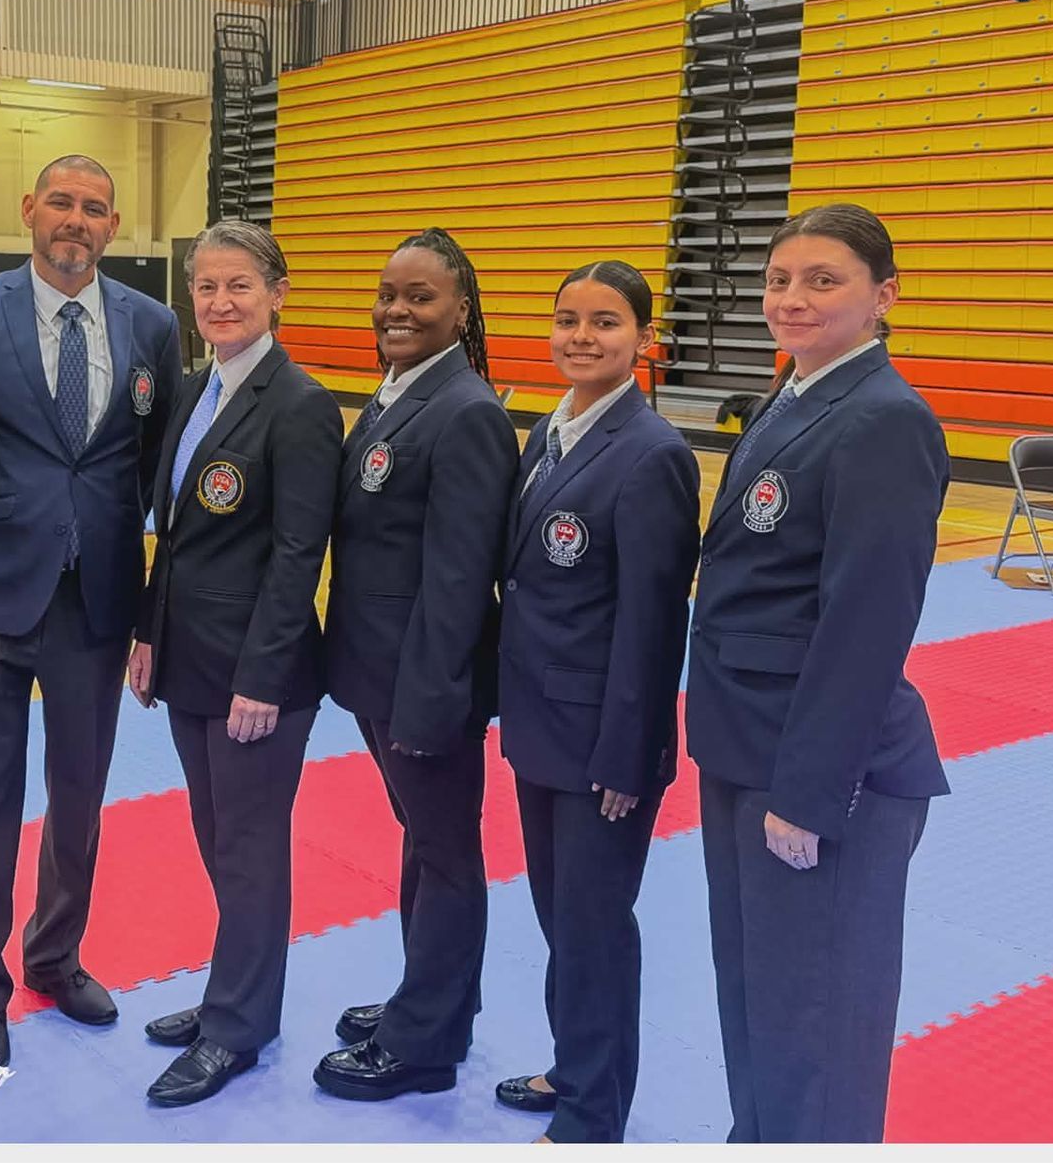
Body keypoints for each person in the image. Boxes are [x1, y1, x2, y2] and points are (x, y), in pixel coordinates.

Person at [688, 202, 950, 1143]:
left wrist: (808, 791)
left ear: (882, 297)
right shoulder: (795, 395)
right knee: (756, 996)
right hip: (743, 744)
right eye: (779, 280)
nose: (792, 298)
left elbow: (867, 624)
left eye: (822, 280)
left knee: (818, 1023)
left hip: (820, 770)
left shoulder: (882, 418)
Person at [0, 154, 182, 1066]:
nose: (77, 219)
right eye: (62, 202)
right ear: (29, 208)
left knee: (80, 795)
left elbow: (161, 474)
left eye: (96, 208)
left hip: (99, 597)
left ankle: (55, 953)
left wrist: (151, 604)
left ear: (115, 226)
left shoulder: (152, 325)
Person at [125, 221, 343, 1106]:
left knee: (249, 849)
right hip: (188, 655)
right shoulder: (192, 388)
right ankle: (237, 993)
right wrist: (148, 632)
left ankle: (239, 1027)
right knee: (219, 839)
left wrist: (263, 672)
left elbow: (300, 551)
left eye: (239, 286)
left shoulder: (298, 402)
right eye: (206, 287)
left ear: (277, 293)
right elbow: (170, 537)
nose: (219, 302)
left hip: (260, 672)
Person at [492, 261, 701, 1143]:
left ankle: (590, 1118)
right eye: (568, 319)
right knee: (560, 917)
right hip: (542, 719)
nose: (583, 336)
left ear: (642, 339)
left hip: (602, 742)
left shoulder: (653, 454)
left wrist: (629, 752)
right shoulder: (551, 429)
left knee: (593, 928)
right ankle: (575, 1065)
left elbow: (654, 624)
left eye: (606, 322)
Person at [314, 227, 518, 1102]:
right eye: (389, 293)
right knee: (424, 845)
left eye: (420, 297)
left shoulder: (467, 411)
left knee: (444, 854)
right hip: (377, 671)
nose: (398, 309)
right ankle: (434, 1000)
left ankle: (425, 1043)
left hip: (423, 682)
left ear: (461, 311)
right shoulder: (398, 392)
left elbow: (459, 576)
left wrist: (432, 699)